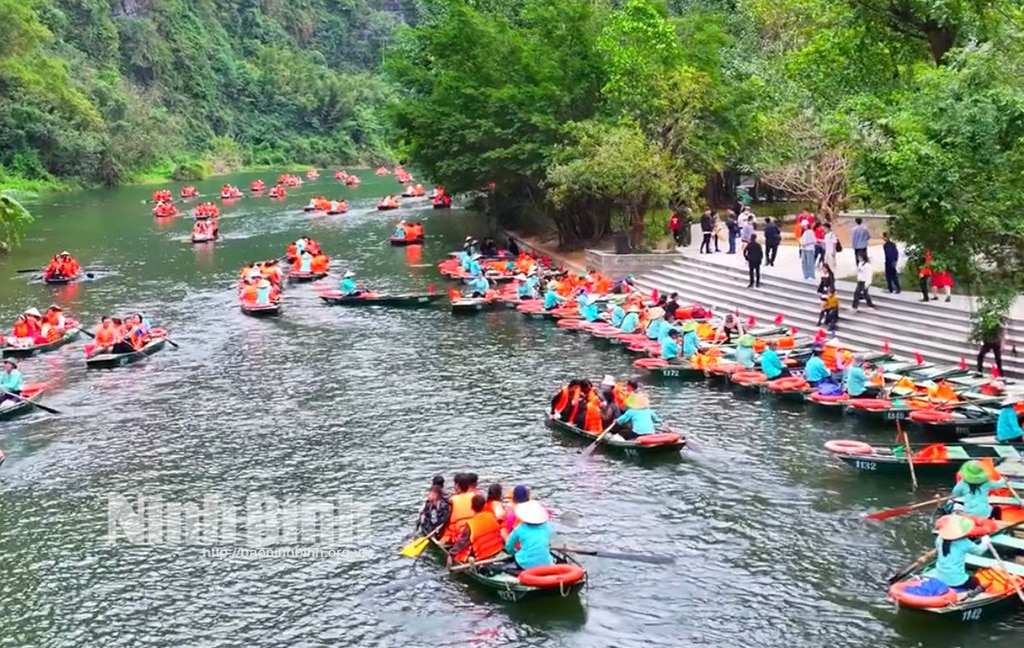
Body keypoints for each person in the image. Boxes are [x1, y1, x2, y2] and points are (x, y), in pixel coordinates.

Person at [932, 514, 990, 592]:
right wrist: (985, 543)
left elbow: (938, 551)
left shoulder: (939, 538)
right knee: (974, 581)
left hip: (940, 576)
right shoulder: (963, 542)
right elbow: (979, 551)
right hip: (956, 580)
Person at [448, 494, 505, 563]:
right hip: (497, 550)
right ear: (484, 506)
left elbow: (461, 543)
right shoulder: (491, 516)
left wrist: (451, 553)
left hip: (482, 556)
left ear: (472, 507)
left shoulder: (471, 525)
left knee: (462, 552)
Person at [503, 500, 554, 570]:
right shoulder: (547, 526)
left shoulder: (520, 529)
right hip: (547, 563)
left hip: (525, 564)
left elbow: (509, 546)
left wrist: (513, 553)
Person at [441, 473, 478, 544]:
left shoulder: (452, 500)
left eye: (454, 484)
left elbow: (446, 518)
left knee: (447, 529)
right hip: (475, 530)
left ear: (457, 485)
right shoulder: (475, 496)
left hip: (459, 535)